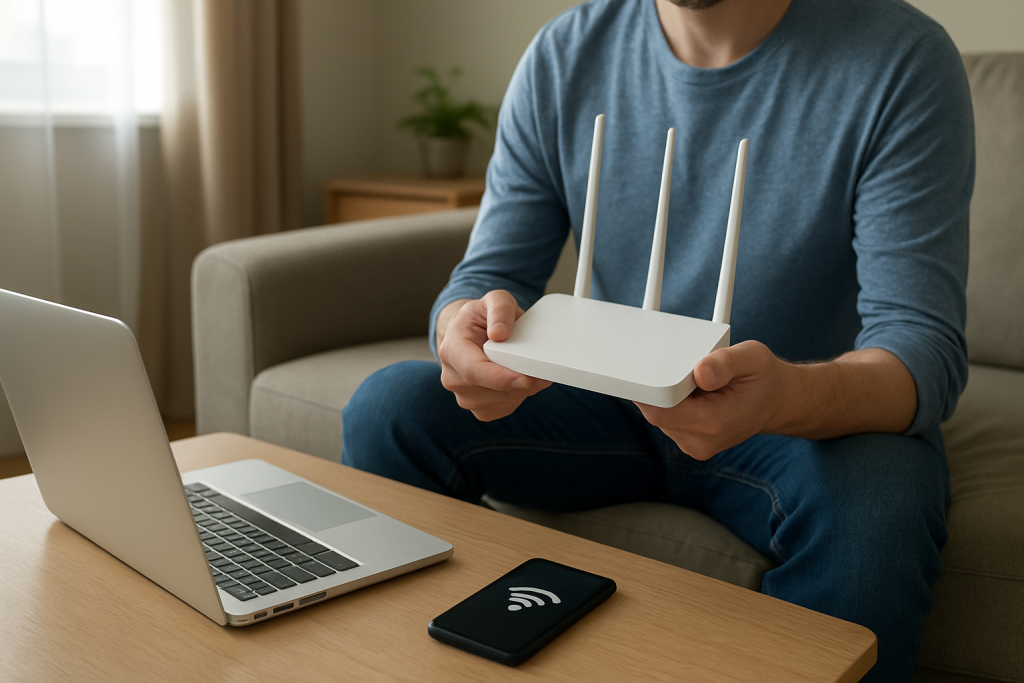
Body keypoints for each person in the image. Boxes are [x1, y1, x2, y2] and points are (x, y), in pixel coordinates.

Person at [342, 0, 974, 679]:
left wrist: (781, 396)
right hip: (608, 393)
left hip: (800, 416)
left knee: (880, 505)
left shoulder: (899, 59)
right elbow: (487, 275)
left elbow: (921, 347)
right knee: (389, 408)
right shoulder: (565, 54)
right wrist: (462, 331)